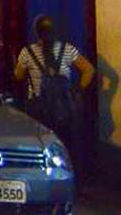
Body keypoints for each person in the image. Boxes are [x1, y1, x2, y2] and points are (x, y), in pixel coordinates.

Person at [15, 15, 95, 162]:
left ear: (36, 32)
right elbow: (89, 70)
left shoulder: (27, 52)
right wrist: (78, 90)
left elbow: (18, 75)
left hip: (38, 107)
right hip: (63, 107)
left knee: (41, 145)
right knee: (66, 145)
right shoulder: (67, 49)